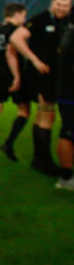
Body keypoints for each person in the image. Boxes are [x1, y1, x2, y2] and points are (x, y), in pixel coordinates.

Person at [10, 0, 73, 176]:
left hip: (56, 75)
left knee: (43, 116)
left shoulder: (67, 21)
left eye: (65, 5)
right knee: (47, 115)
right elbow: (16, 38)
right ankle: (44, 162)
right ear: (52, 3)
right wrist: (35, 60)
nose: (61, 8)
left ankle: (39, 159)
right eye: (59, 4)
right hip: (42, 75)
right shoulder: (41, 19)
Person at [0, 3, 29, 161]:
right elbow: (12, 54)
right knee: (24, 111)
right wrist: (16, 76)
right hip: (14, 75)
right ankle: (9, 143)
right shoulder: (14, 31)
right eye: (23, 15)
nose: (24, 19)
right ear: (16, 14)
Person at [55, 24, 74, 189]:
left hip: (66, 92)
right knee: (68, 133)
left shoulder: (68, 33)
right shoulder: (71, 37)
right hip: (70, 94)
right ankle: (66, 177)